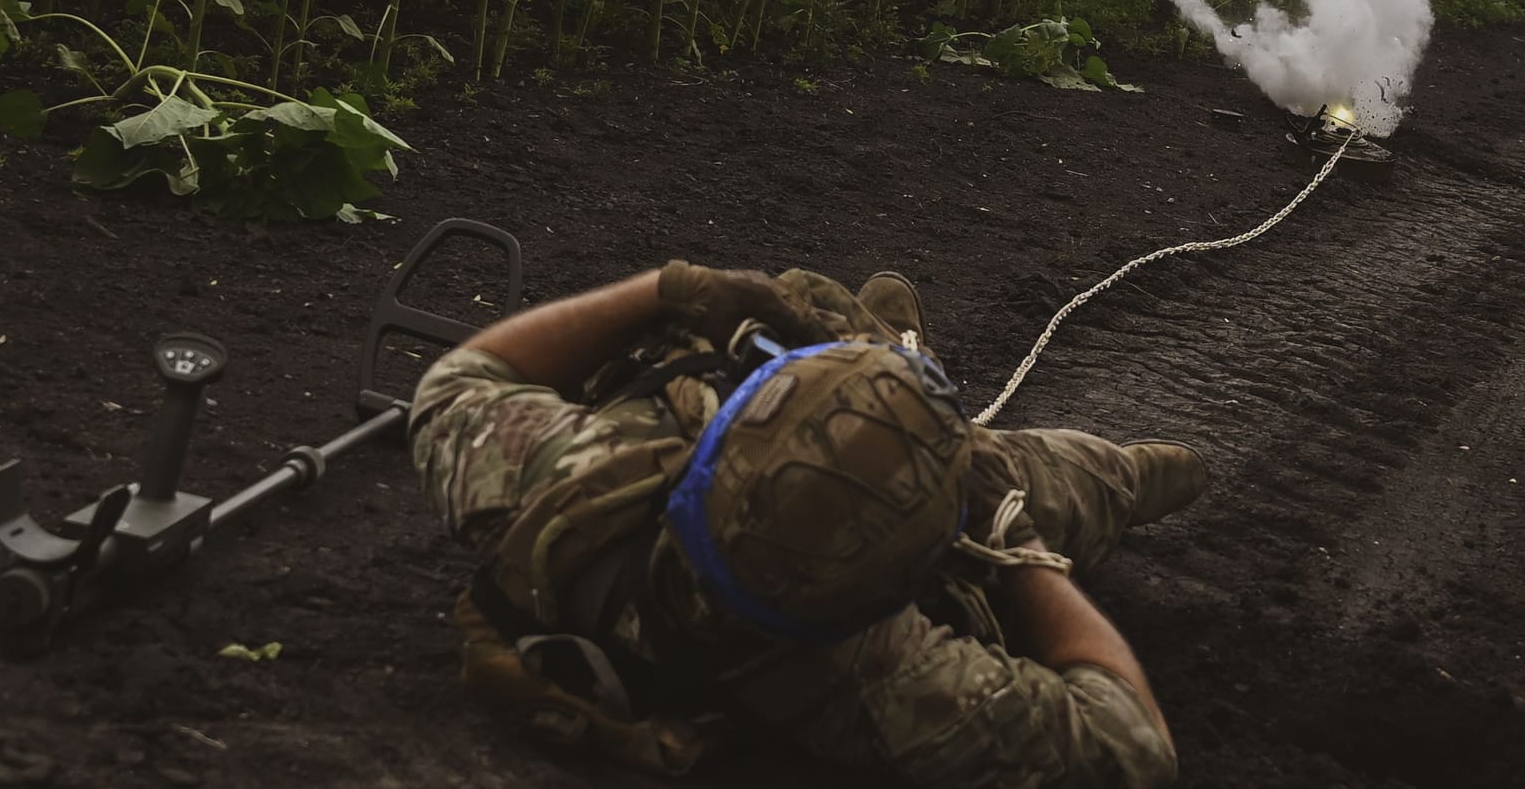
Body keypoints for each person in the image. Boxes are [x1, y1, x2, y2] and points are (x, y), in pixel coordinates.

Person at [408, 261, 1209, 788]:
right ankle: (1110, 469)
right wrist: (1013, 539)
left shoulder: (574, 475)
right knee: (1071, 476)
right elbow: (1134, 747)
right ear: (897, 586)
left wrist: (669, 290)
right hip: (996, 501)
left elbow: (463, 377)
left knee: (806, 295)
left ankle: (887, 356)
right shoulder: (880, 672)